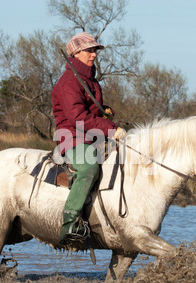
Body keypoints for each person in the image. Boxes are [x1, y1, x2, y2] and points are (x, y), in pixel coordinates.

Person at [52, 32, 126, 245]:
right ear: (75, 53)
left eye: (95, 50)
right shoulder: (68, 81)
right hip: (73, 138)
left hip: (92, 137)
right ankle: (70, 223)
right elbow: (78, 118)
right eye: (90, 50)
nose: (94, 54)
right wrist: (112, 129)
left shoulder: (89, 79)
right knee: (90, 168)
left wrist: (104, 111)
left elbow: (89, 110)